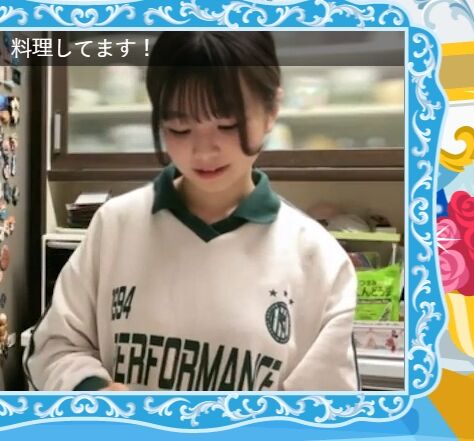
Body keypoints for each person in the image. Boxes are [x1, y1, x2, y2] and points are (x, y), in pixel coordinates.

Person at [23, 31, 358, 391]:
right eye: (179, 128)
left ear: (272, 110)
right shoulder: (115, 226)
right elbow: (54, 347)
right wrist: (93, 390)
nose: (203, 151)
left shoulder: (318, 260)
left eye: (227, 125)